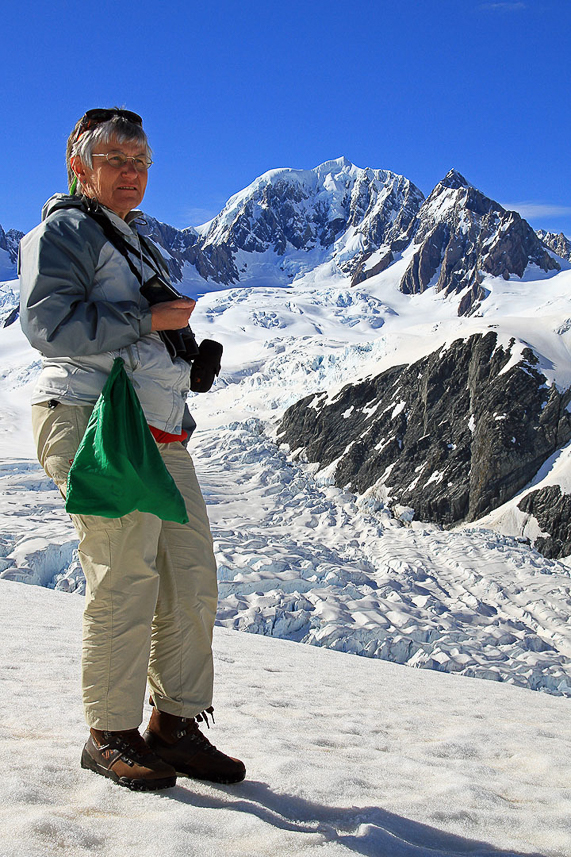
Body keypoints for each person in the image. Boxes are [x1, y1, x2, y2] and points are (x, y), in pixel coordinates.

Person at [18, 107, 245, 791]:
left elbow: (136, 334)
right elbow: (48, 323)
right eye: (116, 159)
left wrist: (182, 357)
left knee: (190, 576)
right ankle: (108, 733)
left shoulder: (134, 239)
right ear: (78, 166)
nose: (133, 173)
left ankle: (172, 724)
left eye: (142, 161)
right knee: (124, 576)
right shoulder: (62, 231)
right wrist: (149, 319)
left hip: (155, 425)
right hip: (94, 420)